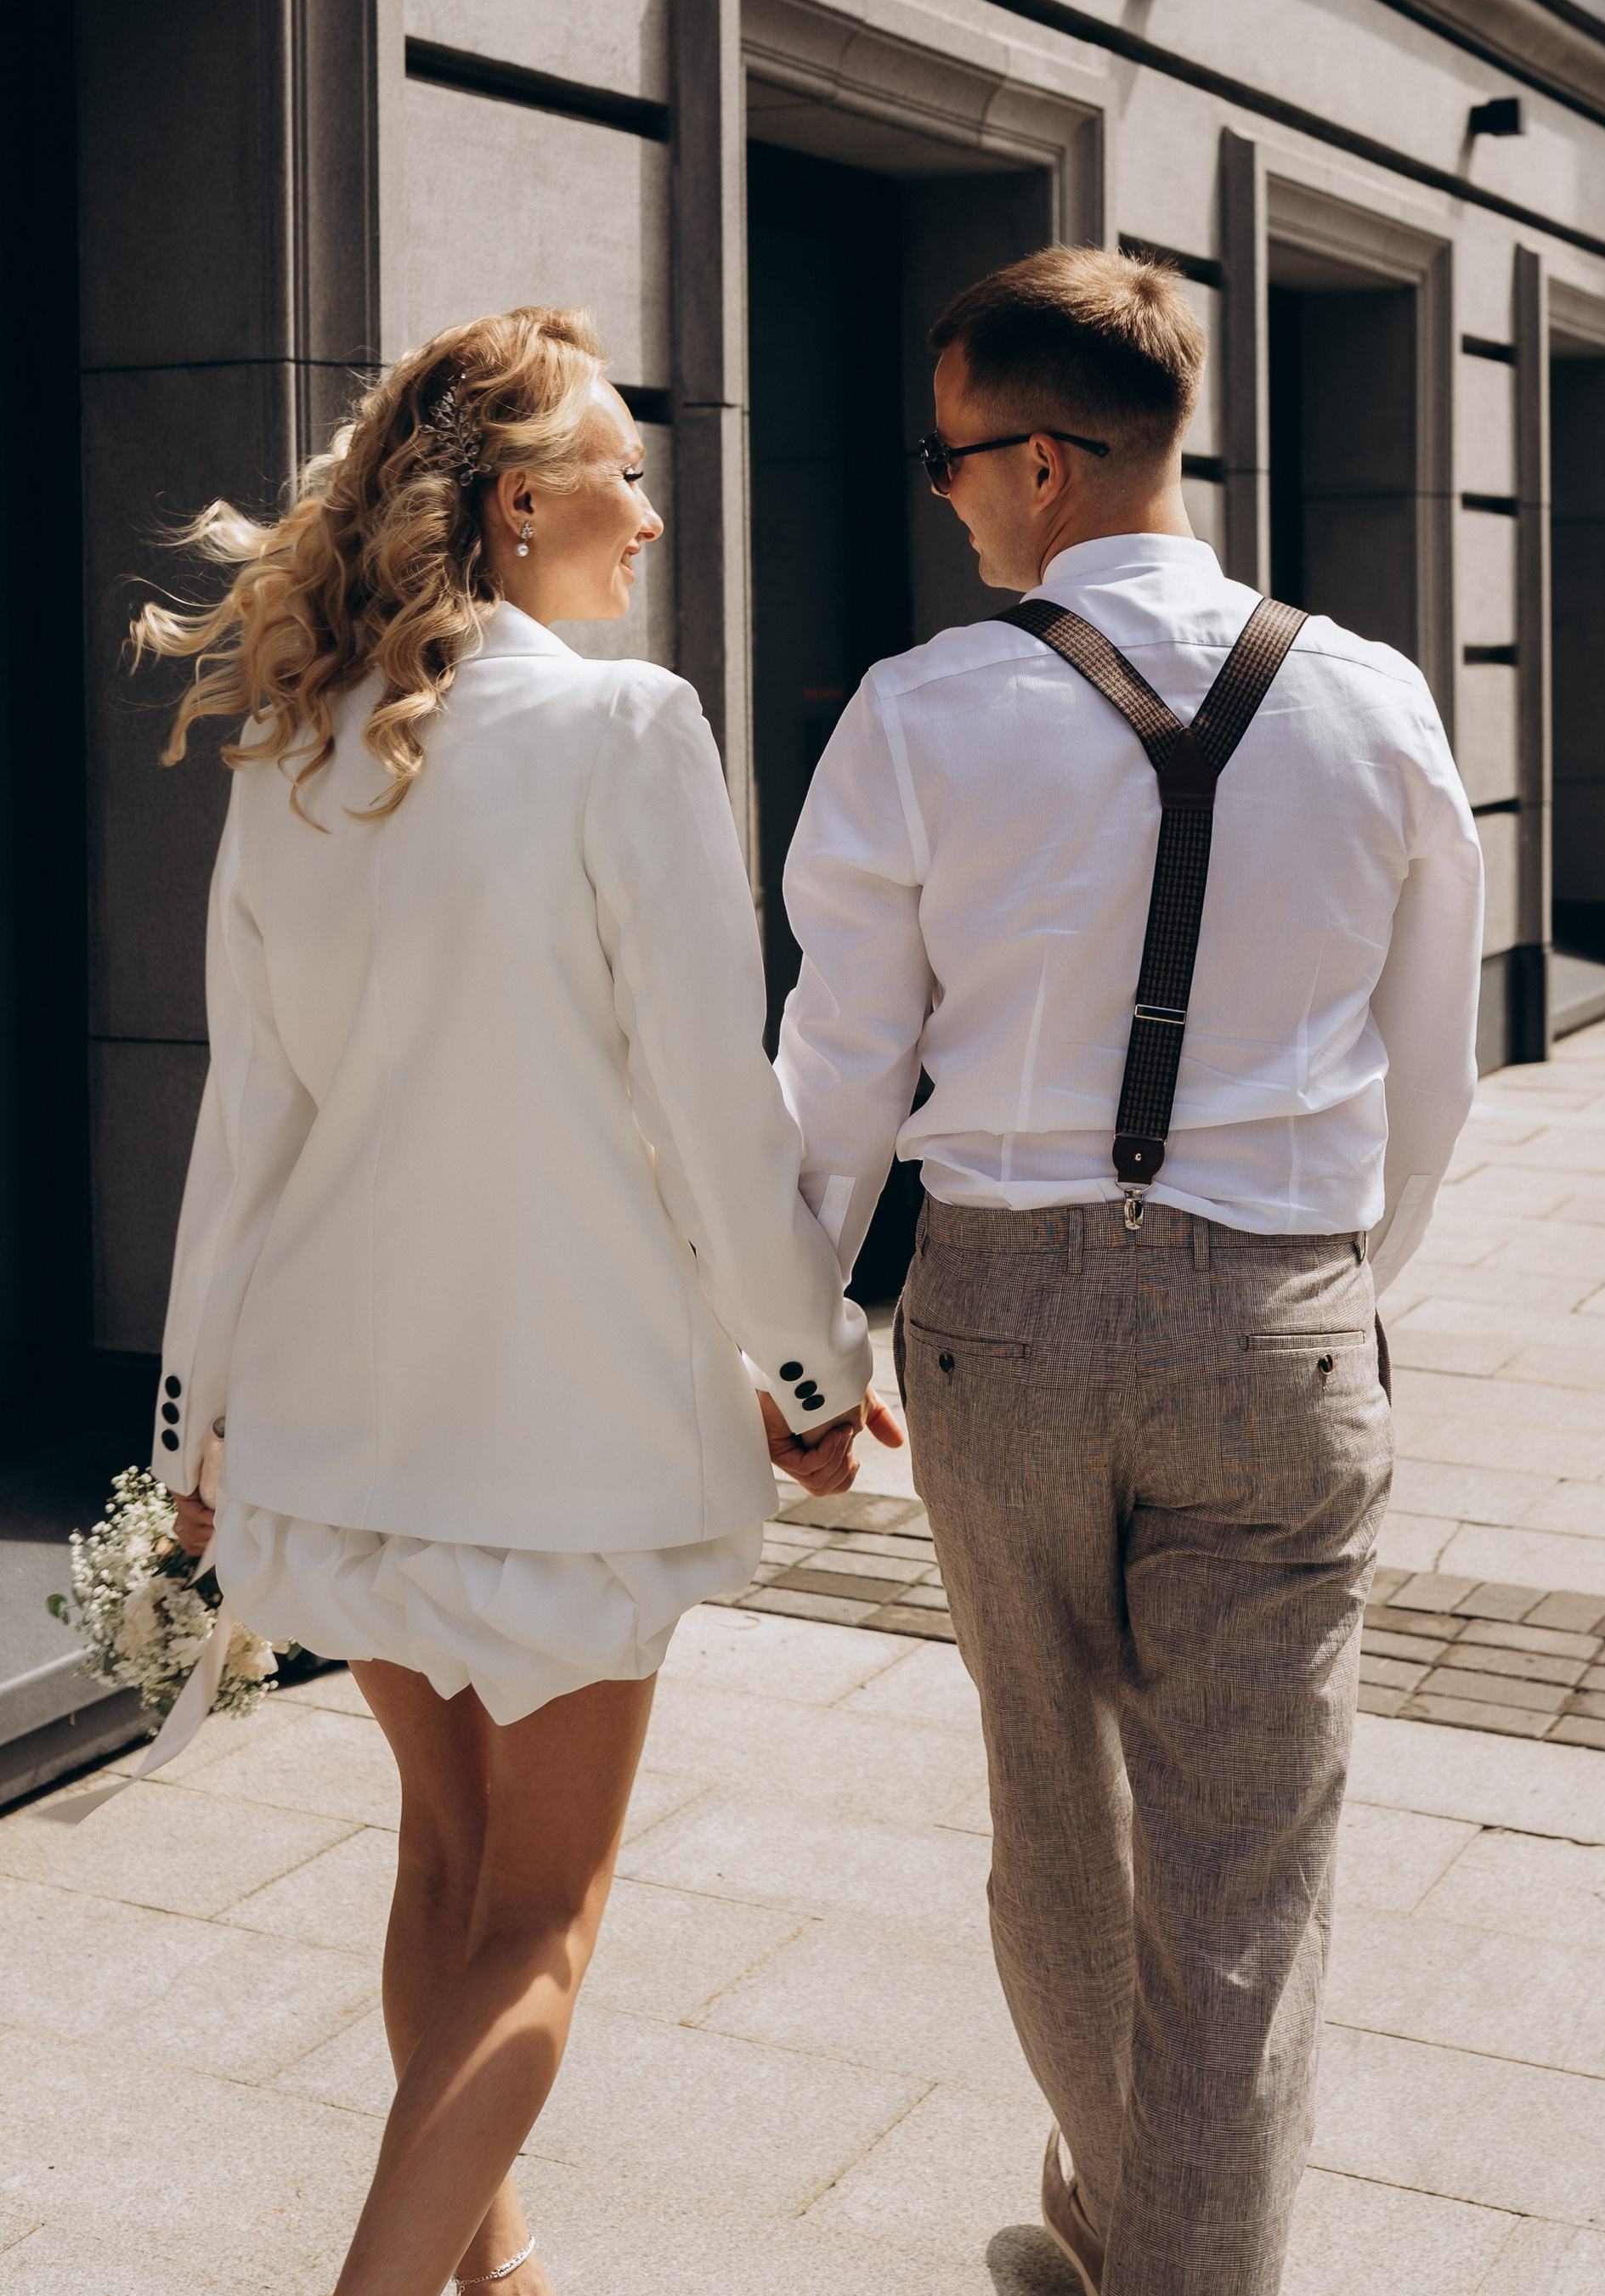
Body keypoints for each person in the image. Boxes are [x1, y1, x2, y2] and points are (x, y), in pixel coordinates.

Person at [139, 307, 889, 2296]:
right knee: (540, 1916)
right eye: (623, 469)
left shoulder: (292, 747)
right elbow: (711, 1103)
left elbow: (245, 1125)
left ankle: (503, 2270)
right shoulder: (626, 726)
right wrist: (812, 1369)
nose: (649, 510)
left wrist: (187, 1426)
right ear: (517, 500)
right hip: (564, 1424)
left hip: (334, 1407)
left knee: (448, 1863)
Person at [776, 246, 1484, 2296]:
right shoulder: (1373, 700)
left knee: (1056, 1818)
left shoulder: (919, 714)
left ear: (1045, 464)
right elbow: (1429, 1077)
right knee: (1242, 1880)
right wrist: (1324, 1281)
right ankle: (1148, 2239)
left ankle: (1128, 2233)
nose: (944, 497)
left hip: (999, 1321)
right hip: (1278, 1313)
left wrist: (799, 1346)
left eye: (949, 460)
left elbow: (834, 1083)